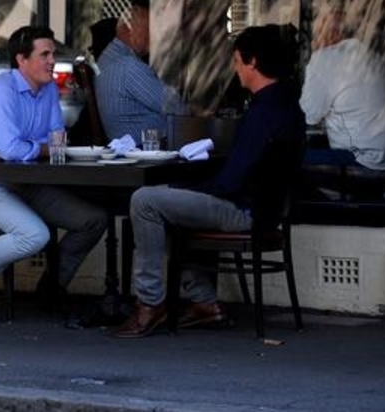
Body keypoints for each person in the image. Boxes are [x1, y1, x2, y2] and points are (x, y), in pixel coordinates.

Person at [112, 24, 306, 337]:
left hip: (245, 211)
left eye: (237, 60)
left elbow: (231, 182)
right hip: (265, 211)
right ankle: (204, 302)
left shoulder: (262, 113)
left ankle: (149, 304)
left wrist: (193, 190)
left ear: (253, 62)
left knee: (145, 200)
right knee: (171, 202)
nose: (235, 68)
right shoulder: (286, 106)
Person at [0, 25, 108, 323]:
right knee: (35, 234)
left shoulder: (48, 89)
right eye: (45, 55)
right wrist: (42, 148)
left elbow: (57, 139)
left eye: (53, 54)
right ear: (21, 59)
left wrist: (38, 148)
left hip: (22, 182)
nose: (52, 61)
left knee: (93, 220)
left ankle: (51, 289)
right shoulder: (1, 90)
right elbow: (10, 149)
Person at [300, 7, 385, 171]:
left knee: (283, 156)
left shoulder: (323, 59)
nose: (314, 40)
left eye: (317, 33)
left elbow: (308, 115)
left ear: (332, 34)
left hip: (362, 160)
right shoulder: (372, 56)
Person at [94, 5, 185, 144]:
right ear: (129, 28)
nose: (154, 36)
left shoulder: (106, 58)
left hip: (132, 146)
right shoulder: (128, 66)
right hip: (145, 148)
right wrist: (195, 110)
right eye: (148, 29)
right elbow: (176, 107)